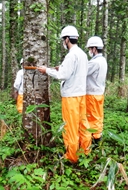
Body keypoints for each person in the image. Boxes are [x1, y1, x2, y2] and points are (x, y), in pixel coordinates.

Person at [38, 25, 92, 163]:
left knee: (70, 127)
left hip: (71, 97)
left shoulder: (71, 55)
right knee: (83, 124)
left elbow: (63, 75)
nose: (63, 42)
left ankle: (71, 156)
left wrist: (46, 70)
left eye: (64, 39)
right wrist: (59, 68)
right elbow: (75, 71)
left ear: (67, 39)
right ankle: (86, 152)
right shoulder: (82, 54)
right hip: (81, 95)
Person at [85, 36, 108, 146]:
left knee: (91, 118)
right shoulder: (102, 60)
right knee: (98, 117)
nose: (89, 51)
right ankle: (97, 139)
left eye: (90, 49)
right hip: (98, 94)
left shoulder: (95, 62)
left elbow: (82, 71)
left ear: (94, 48)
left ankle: (93, 142)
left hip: (91, 95)